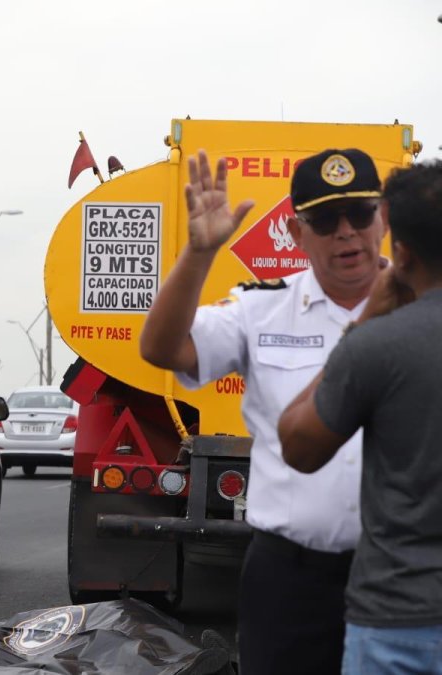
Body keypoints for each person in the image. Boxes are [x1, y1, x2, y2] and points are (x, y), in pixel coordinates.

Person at [139, 148, 386, 674]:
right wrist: (200, 253)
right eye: (324, 219)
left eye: (360, 214)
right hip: (290, 576)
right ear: (297, 236)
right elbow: (164, 348)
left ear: (382, 218)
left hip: (402, 574)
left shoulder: (422, 307)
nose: (346, 232)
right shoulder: (261, 307)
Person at [278, 160, 442, 675]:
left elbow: (298, 445)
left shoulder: (376, 346)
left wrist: (362, 327)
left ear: (399, 245)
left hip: (398, 622)